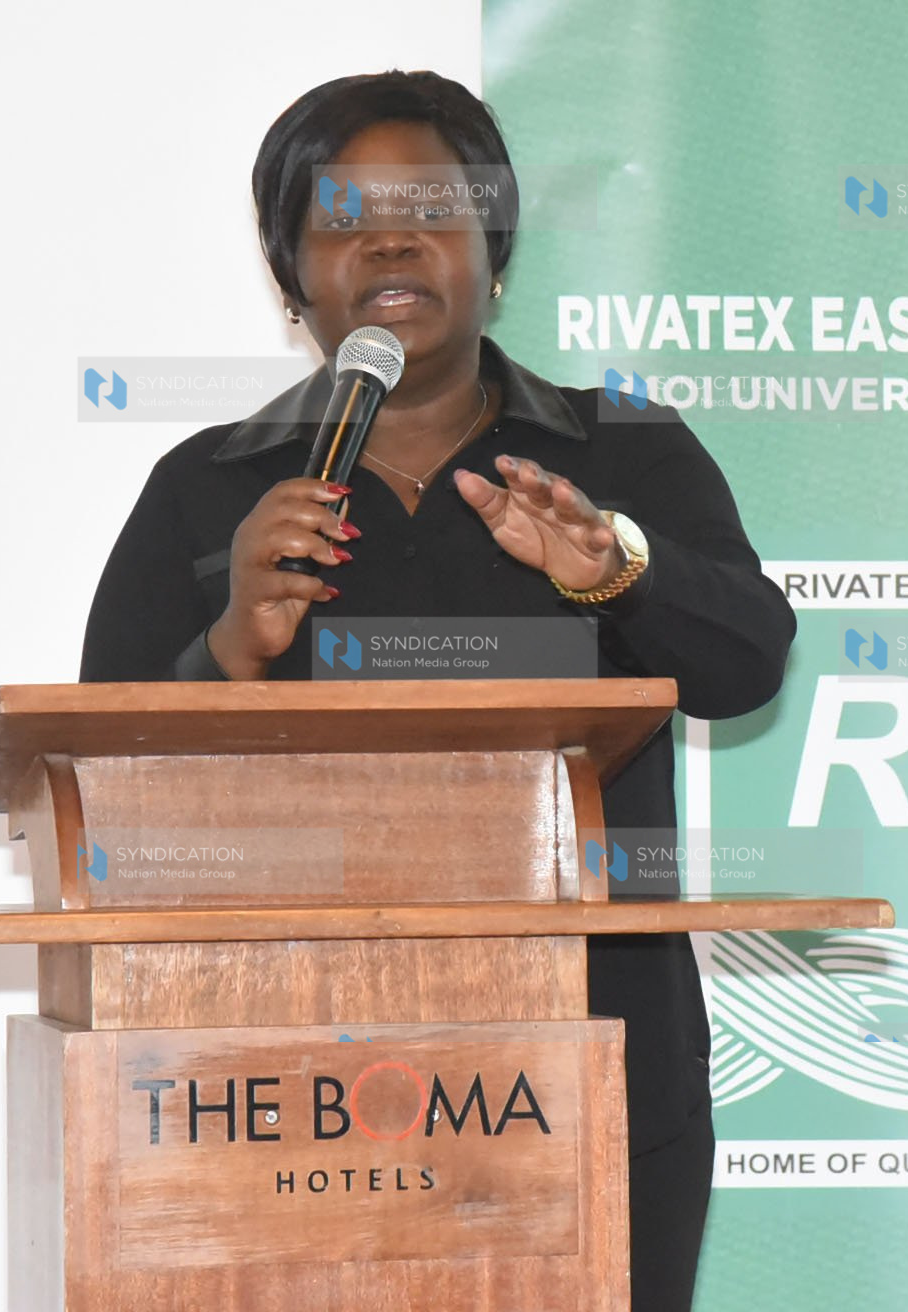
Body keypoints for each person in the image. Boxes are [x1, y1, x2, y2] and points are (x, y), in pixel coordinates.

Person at [78, 70, 794, 1309]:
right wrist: (232, 645)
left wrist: (618, 567)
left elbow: (746, 665)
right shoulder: (207, 489)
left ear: (492, 252)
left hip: (597, 1059)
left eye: (433, 209)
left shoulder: (623, 453)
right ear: (291, 271)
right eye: (346, 217)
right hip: (280, 1083)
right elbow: (101, 792)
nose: (393, 239)